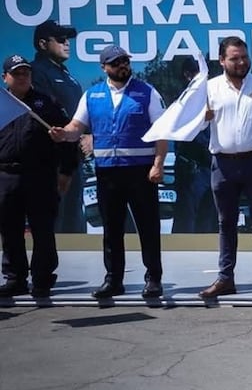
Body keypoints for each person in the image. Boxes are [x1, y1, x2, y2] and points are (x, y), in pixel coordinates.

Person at [48, 45, 167, 299]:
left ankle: (153, 278)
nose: (122, 65)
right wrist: (63, 134)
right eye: (116, 62)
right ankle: (113, 280)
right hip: (108, 174)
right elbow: (75, 127)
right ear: (104, 67)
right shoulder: (92, 95)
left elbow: (162, 131)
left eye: (125, 60)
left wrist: (158, 163)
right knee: (111, 229)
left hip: (140, 172)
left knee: (148, 227)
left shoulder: (146, 92)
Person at [198, 36, 252, 300]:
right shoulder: (209, 88)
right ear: (222, 60)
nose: (241, 62)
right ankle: (226, 278)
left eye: (244, 57)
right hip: (223, 165)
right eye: (234, 58)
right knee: (226, 223)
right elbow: (194, 127)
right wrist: (202, 117)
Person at [0, 54, 79, 298]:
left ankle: (43, 278)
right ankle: (15, 278)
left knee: (42, 230)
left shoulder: (46, 103)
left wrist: (66, 171)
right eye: (17, 73)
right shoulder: (2, 104)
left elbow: (67, 137)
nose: (22, 77)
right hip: (6, 176)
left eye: (26, 73)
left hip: (40, 175)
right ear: (6, 77)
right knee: (10, 230)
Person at [29, 19, 87, 233]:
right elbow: (45, 111)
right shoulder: (36, 72)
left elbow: (83, 113)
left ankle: (77, 266)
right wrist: (76, 134)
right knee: (55, 219)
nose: (67, 43)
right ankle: (48, 265)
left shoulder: (68, 76)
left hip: (72, 158)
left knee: (74, 218)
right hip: (50, 159)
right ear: (43, 44)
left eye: (68, 39)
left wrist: (88, 136)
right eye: (61, 39)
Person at [171, 56, 215, 233]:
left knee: (209, 219)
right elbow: (191, 134)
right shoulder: (183, 101)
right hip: (192, 169)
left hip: (209, 168)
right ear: (188, 75)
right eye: (198, 73)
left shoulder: (210, 98)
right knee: (186, 219)